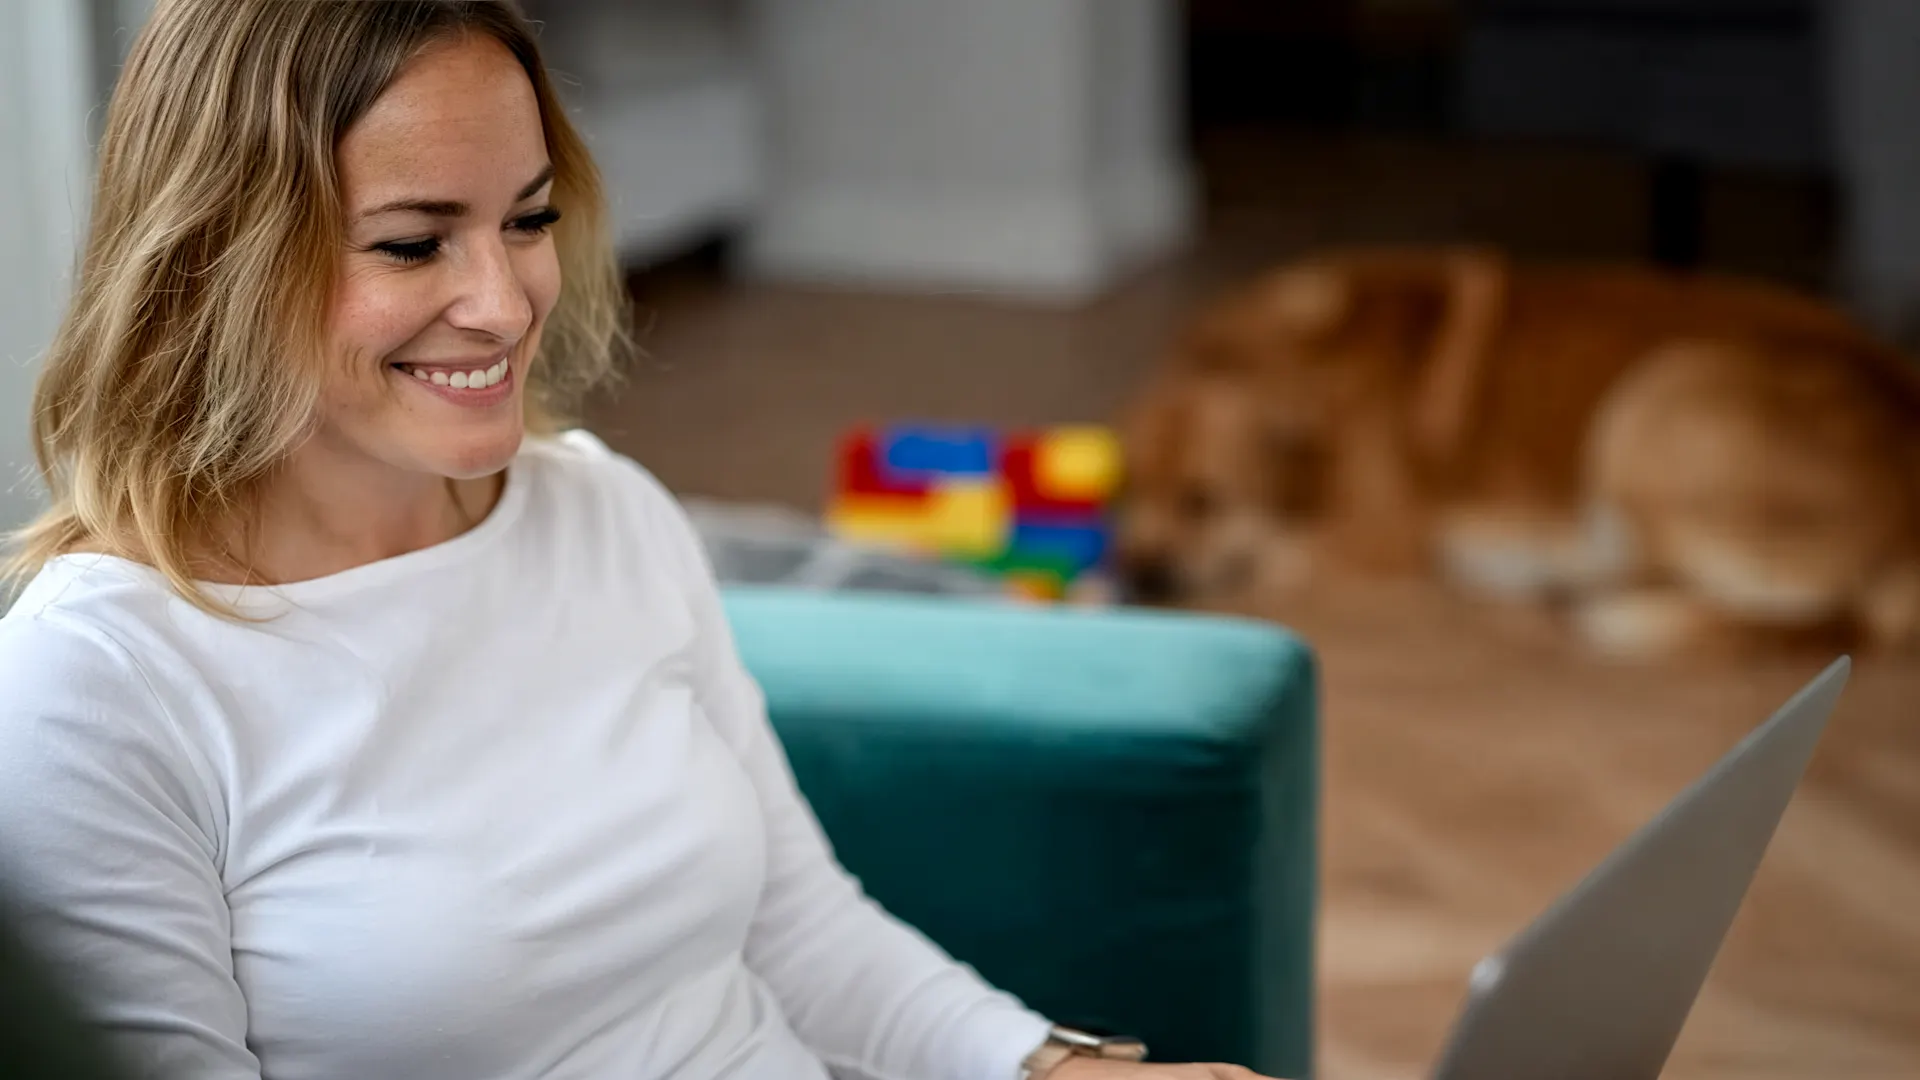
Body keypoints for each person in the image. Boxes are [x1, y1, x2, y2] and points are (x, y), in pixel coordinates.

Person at [0, 3, 1283, 1079]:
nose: (505, 304)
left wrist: (1050, 1066)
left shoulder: (602, 511)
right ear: (216, 256)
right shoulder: (100, 680)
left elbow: (798, 925)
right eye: (413, 243)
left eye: (529, 219)